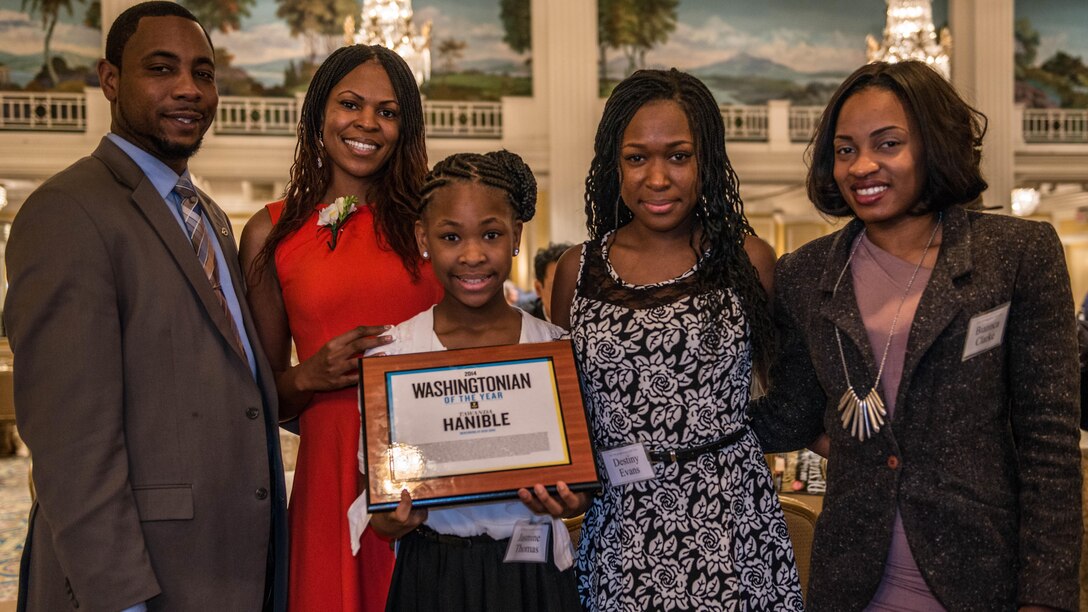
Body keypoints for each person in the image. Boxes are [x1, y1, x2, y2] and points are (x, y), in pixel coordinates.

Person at [750, 60, 1082, 611]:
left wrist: (1045, 598)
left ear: (934, 145)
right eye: (846, 149)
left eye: (888, 144)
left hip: (981, 578)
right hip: (853, 583)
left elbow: (1049, 443)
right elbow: (792, 413)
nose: (862, 166)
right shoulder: (805, 274)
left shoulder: (1017, 255)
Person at [3, 2, 288, 610]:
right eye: (161, 69)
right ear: (111, 80)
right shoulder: (66, 213)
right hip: (138, 583)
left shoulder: (208, 217)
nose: (189, 89)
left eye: (204, 73)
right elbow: (72, 450)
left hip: (228, 570)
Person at [544, 68, 803, 610]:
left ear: (706, 161)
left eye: (679, 156)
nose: (657, 177)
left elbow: (789, 388)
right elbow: (567, 417)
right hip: (622, 526)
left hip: (732, 526)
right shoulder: (576, 269)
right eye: (637, 157)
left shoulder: (749, 261)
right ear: (613, 165)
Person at [239, 44, 441, 612]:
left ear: (407, 126)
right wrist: (310, 376)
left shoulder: (437, 225)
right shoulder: (271, 232)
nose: (367, 124)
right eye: (350, 104)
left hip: (433, 467)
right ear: (317, 114)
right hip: (330, 472)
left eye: (388, 111)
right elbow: (260, 399)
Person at [349, 150, 581, 611]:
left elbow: (578, 494)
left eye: (491, 234)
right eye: (451, 236)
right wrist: (394, 520)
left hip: (532, 578)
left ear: (515, 236)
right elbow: (378, 504)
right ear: (423, 238)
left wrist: (571, 502)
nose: (473, 255)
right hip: (430, 573)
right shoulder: (394, 354)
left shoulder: (554, 348)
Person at [526, 242, 573, 321]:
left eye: (574, 287)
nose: (568, 297)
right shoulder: (522, 325)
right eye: (557, 288)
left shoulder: (592, 319)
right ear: (539, 289)